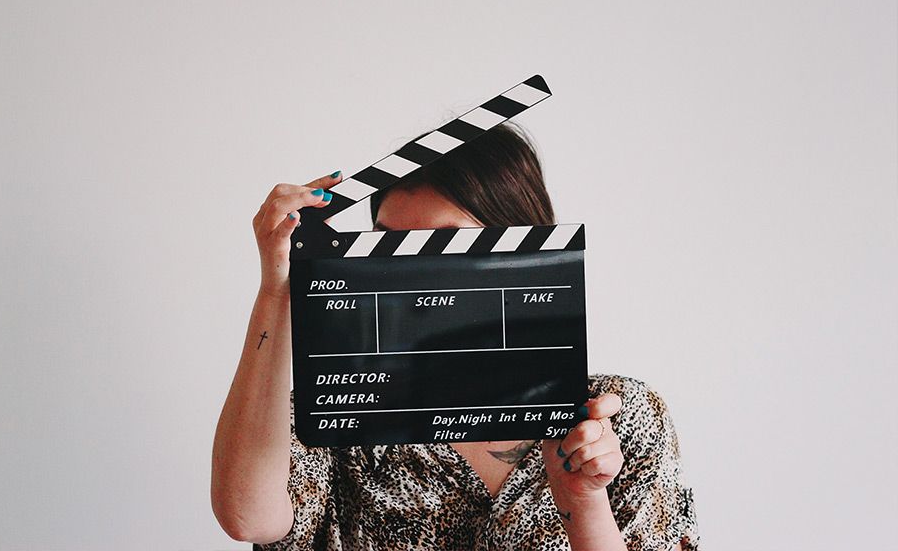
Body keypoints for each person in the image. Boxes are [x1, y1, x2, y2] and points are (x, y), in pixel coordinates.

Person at [211, 121, 700, 550]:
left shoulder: (618, 419)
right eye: (386, 244)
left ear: (520, 250)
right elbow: (247, 516)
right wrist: (278, 289)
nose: (405, 274)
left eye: (439, 245)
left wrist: (584, 502)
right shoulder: (343, 409)